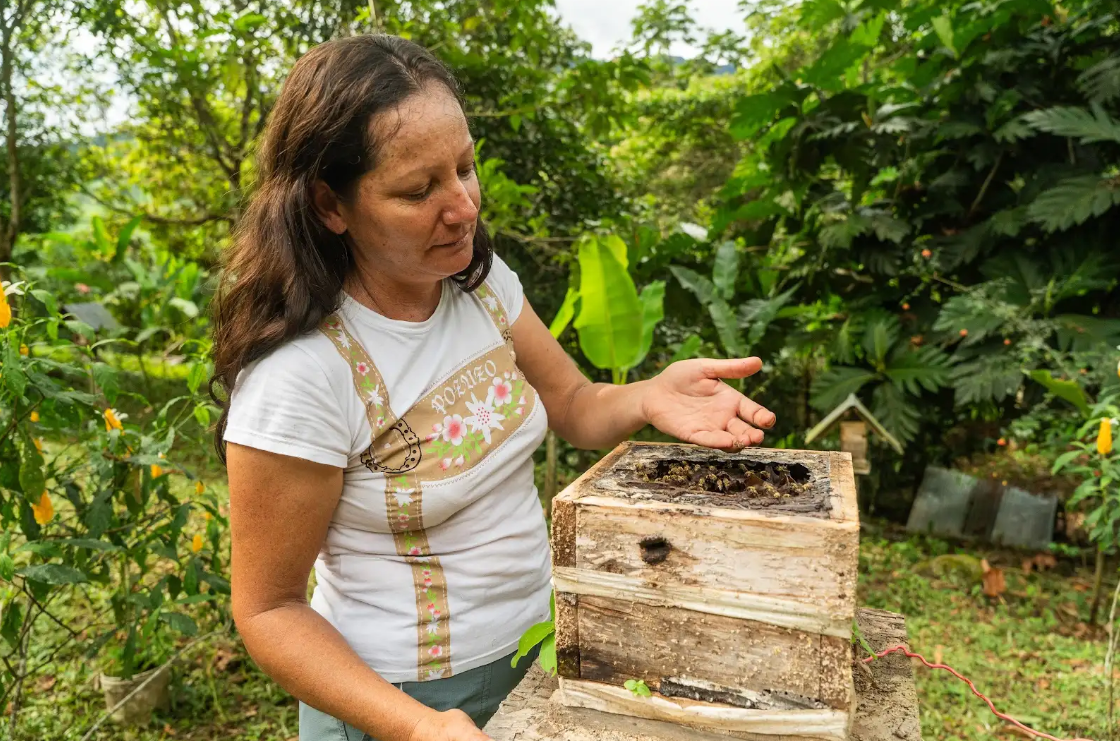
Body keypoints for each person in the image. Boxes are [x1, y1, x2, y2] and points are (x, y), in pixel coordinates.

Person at [212, 33, 776, 741]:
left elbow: (572, 403)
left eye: (465, 168)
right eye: (419, 190)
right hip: (393, 701)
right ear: (331, 204)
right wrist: (421, 728)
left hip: (534, 654)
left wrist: (647, 395)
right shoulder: (302, 374)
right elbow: (268, 610)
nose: (463, 207)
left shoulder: (477, 286)